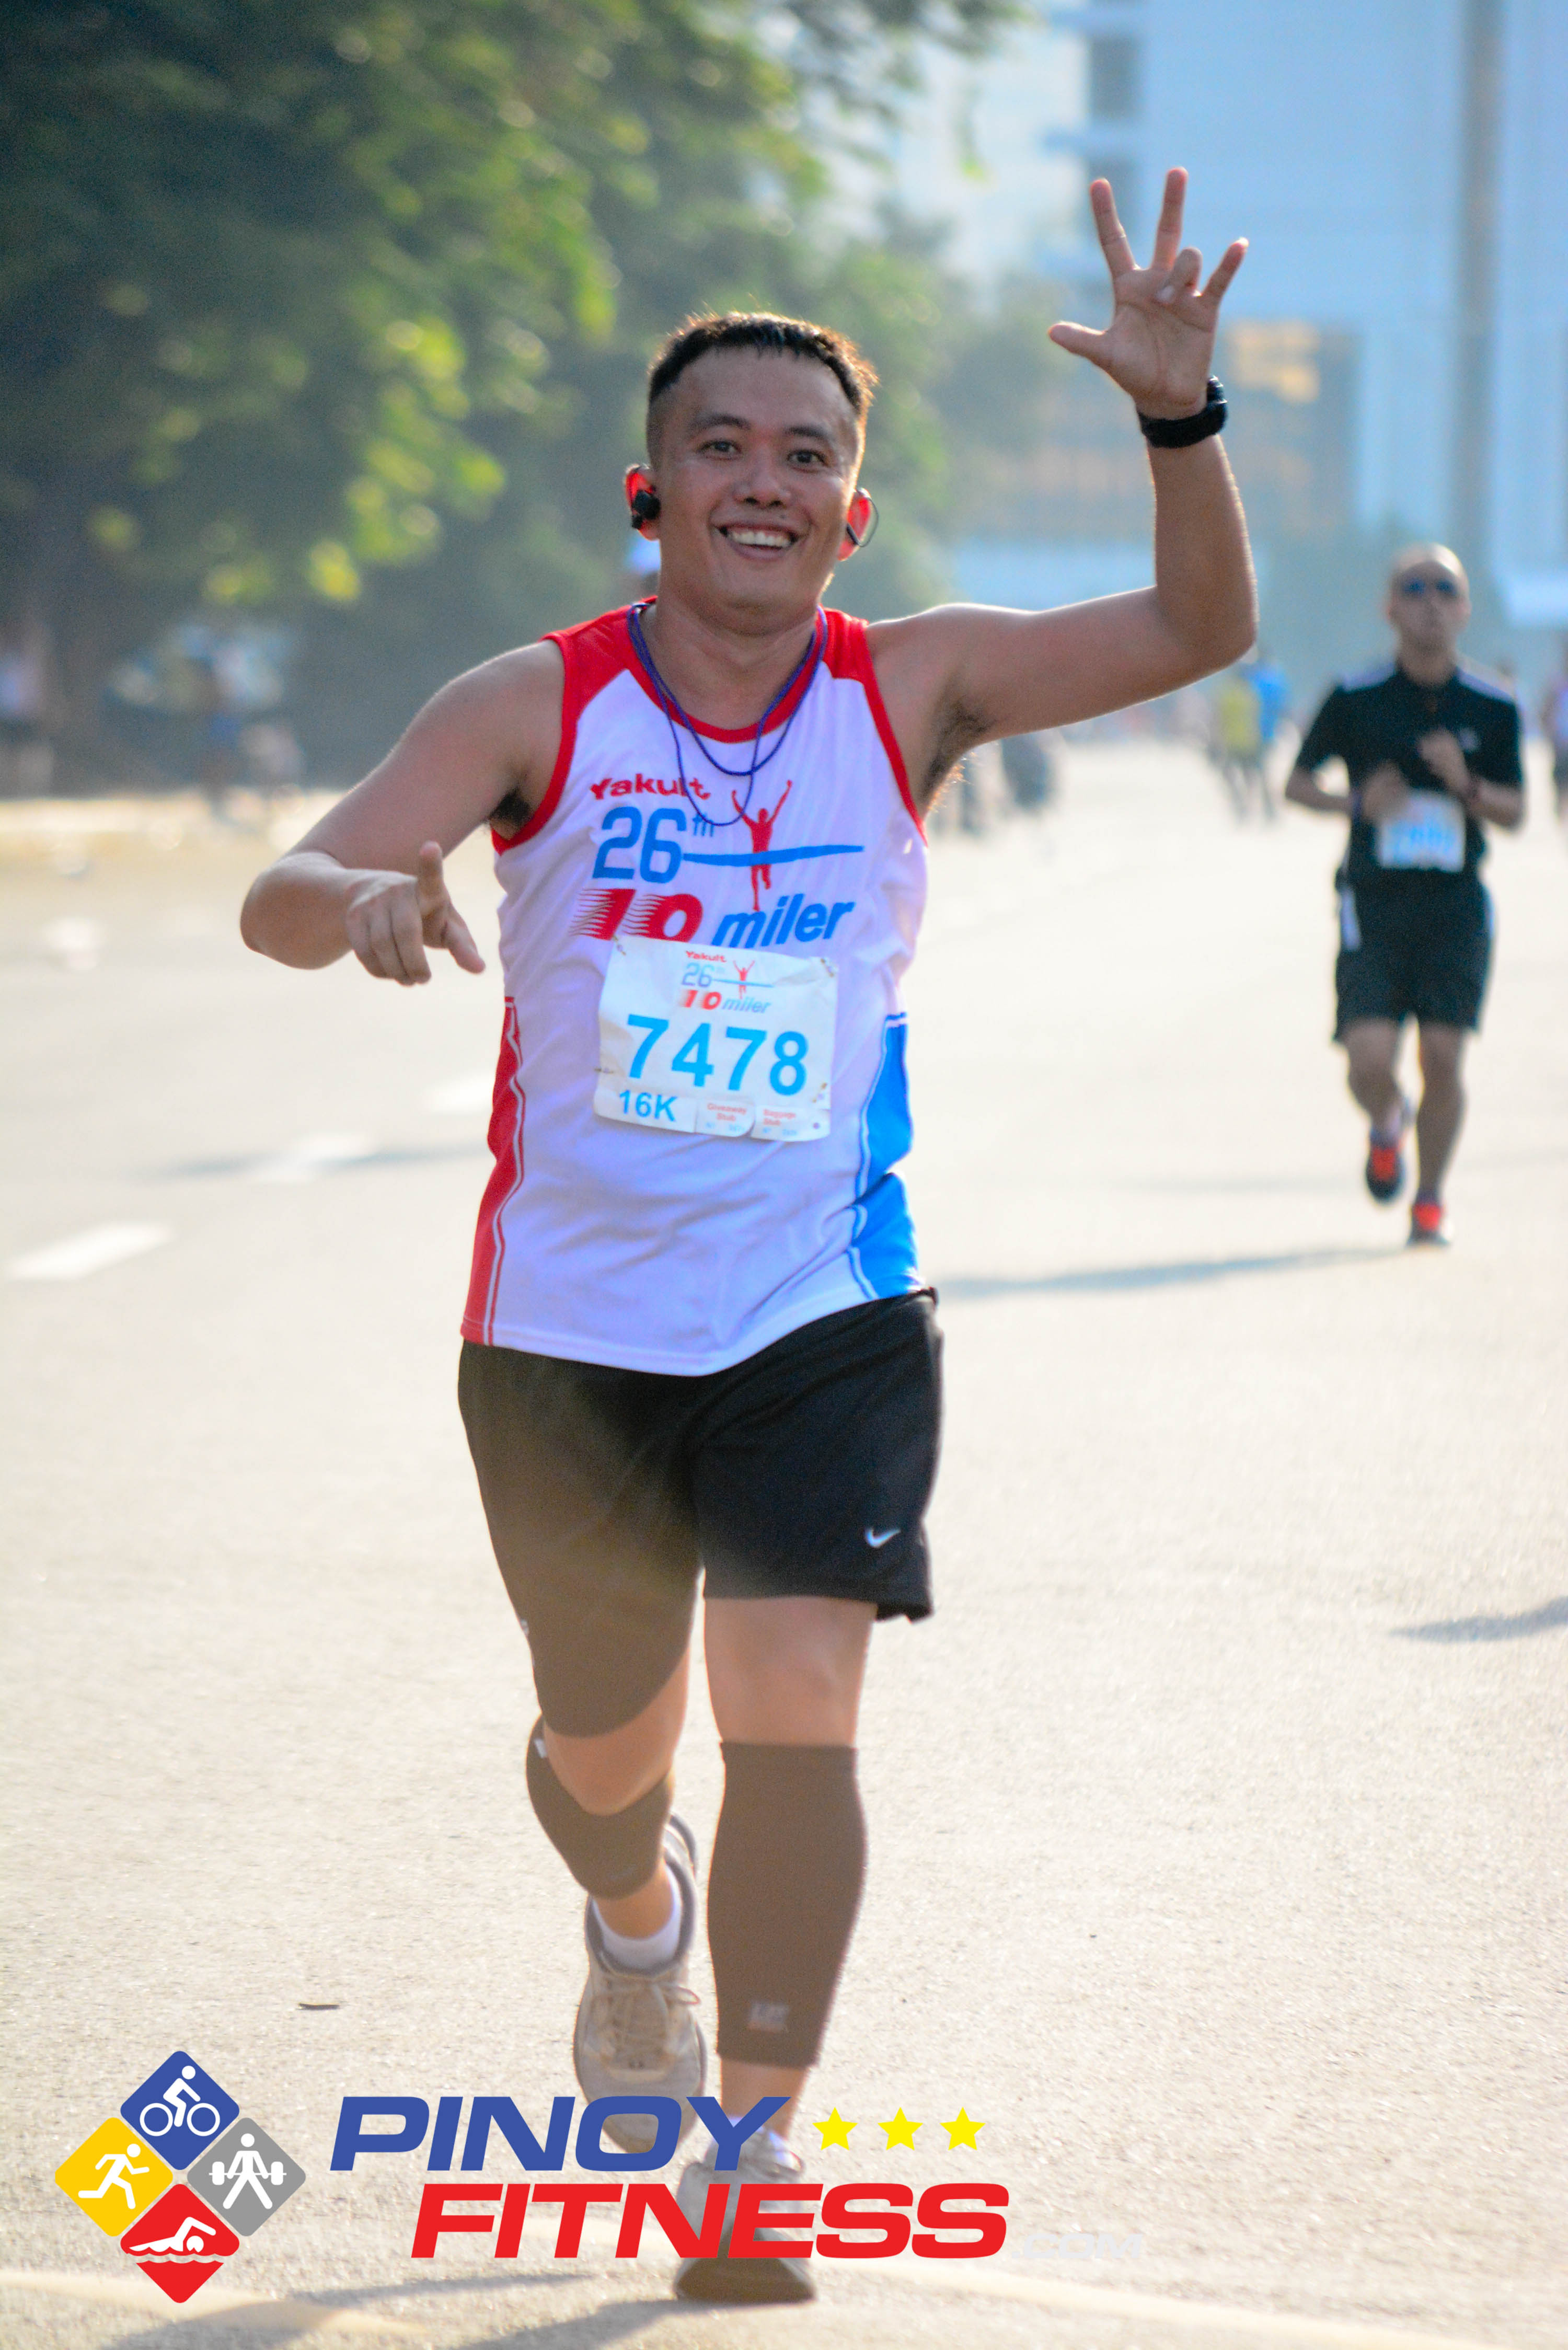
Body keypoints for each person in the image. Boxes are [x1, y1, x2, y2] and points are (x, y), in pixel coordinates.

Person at [239, 169, 1253, 2306]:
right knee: (605, 1752)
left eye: (806, 454)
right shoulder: (537, 701)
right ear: (654, 490)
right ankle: (638, 1924)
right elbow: (286, 888)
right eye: (722, 446)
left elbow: (1197, 633)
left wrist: (1181, 419)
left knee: (796, 1700)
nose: (763, 481)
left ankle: (757, 2142)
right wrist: (365, 901)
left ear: (852, 515)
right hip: (566, 1328)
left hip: (825, 1297)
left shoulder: (915, 685)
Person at [1284, 545, 1524, 1245]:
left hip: (1455, 908)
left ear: (1465, 609)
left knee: (1444, 1057)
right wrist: (1356, 803)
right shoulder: (1355, 696)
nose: (1431, 603)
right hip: (1375, 903)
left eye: (1445, 590)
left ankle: (1430, 1199)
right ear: (1390, 608)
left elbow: (1516, 811)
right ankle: (1388, 1120)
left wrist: (1466, 784)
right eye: (1415, 590)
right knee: (1367, 1060)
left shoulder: (1493, 706)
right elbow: (1296, 783)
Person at [1540, 639, 1568, 824]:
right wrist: (1551, 736)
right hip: (1562, 747)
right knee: (1560, 785)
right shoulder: (1557, 686)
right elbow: (1545, 714)